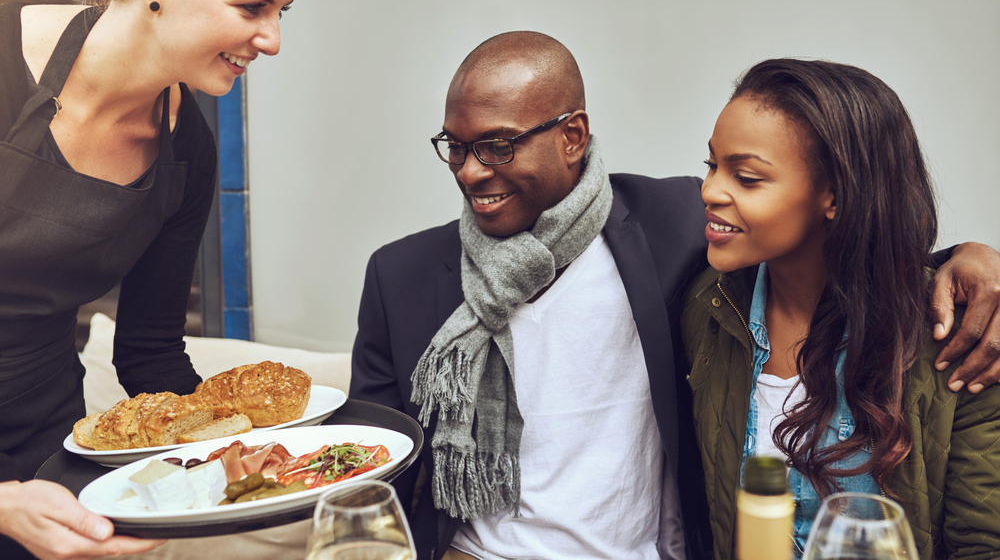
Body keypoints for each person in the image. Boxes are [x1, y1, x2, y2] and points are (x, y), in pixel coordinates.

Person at [349, 32, 1000, 560]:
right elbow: (364, 474)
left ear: (573, 135)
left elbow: (861, 256)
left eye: (496, 145)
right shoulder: (399, 276)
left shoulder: (676, 234)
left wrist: (967, 263)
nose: (469, 170)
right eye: (455, 147)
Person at [0, 0, 300, 557]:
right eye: (252, 7)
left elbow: (149, 353)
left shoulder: (187, 150)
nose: (273, 40)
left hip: (48, 450)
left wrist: (250, 444)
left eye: (281, 12)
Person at [680, 58, 1000, 558]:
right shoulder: (710, 309)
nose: (709, 190)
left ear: (834, 194)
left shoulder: (960, 335)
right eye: (711, 165)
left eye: (746, 177)